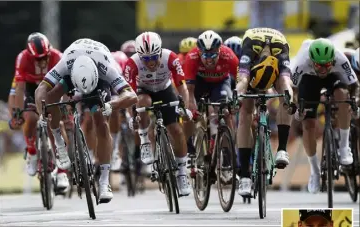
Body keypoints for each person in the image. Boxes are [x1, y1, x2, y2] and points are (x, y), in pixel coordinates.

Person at [34, 38, 138, 203]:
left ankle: (104, 181)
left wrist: (112, 104)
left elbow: (131, 95)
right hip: (71, 77)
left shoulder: (106, 67)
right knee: (51, 100)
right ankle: (59, 142)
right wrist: (42, 112)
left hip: (97, 85)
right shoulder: (66, 63)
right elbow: (41, 89)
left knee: (101, 123)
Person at [124, 31, 192, 196]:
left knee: (176, 129)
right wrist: (132, 116)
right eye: (146, 59)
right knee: (143, 102)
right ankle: (145, 138)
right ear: (140, 56)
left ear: (160, 52)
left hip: (165, 89)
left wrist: (185, 107)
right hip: (143, 91)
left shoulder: (170, 57)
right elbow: (127, 94)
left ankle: (182, 172)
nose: (151, 62)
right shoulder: (132, 63)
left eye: (154, 57)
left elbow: (182, 86)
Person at [291, 38, 359, 194]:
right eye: (318, 65)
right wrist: (297, 107)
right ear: (311, 60)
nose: (322, 69)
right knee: (308, 125)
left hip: (334, 77)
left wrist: (353, 104)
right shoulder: (302, 61)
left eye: (326, 65)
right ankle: (315, 172)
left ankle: (344, 148)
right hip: (309, 80)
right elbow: (293, 89)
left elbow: (354, 85)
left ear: (333, 60)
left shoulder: (340, 58)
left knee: (343, 95)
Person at [236, 27, 295, 196]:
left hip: (276, 61)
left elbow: (285, 82)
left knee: (285, 97)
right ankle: (245, 176)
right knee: (246, 111)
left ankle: (282, 149)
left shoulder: (281, 50)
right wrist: (237, 94)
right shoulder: (249, 49)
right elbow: (243, 79)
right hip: (251, 70)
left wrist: (289, 99)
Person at [8, 33, 70, 190]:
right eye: (38, 59)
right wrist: (18, 112)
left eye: (45, 57)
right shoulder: (22, 58)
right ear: (30, 55)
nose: (42, 61)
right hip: (31, 88)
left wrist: (66, 107)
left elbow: (65, 85)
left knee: (56, 124)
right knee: (30, 118)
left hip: (51, 87)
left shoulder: (58, 56)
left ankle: (62, 170)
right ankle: (32, 151)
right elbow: (19, 89)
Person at [184, 30, 239, 183]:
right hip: (199, 84)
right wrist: (192, 109)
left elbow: (242, 82)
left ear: (219, 51)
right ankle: (190, 151)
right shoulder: (192, 57)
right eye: (205, 55)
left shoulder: (228, 55)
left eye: (213, 55)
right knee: (188, 113)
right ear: (199, 52)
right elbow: (189, 91)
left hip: (221, 84)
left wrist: (237, 100)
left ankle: (227, 160)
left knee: (225, 112)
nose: (209, 60)